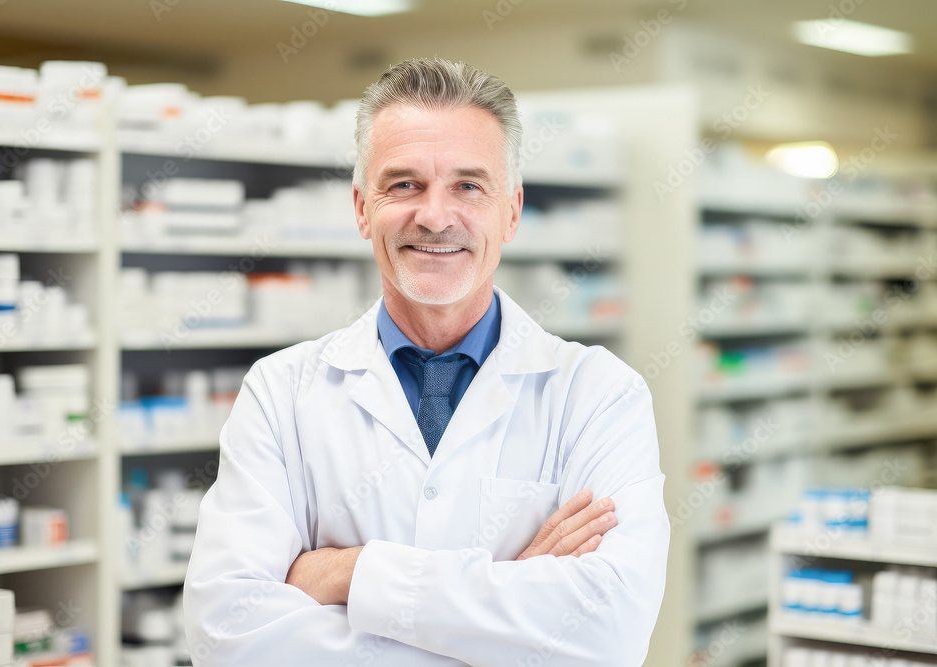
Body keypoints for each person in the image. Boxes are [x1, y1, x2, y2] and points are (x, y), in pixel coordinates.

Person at [183, 57, 669, 666]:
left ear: (511, 211)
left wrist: (348, 574)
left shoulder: (598, 394)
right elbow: (225, 636)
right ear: (362, 208)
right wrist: (507, 606)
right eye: (404, 184)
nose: (435, 216)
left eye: (468, 185)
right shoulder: (280, 392)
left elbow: (610, 632)